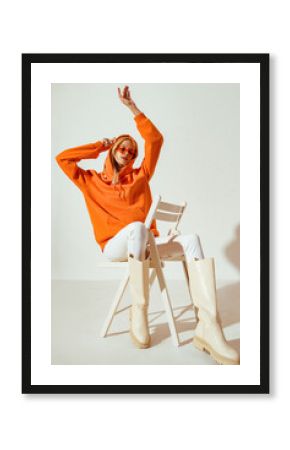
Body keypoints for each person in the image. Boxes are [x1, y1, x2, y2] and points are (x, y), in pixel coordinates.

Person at [56, 86, 239, 365]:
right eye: (123, 148)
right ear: (115, 149)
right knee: (136, 228)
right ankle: (138, 311)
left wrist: (132, 108)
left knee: (191, 239)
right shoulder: (90, 180)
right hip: (115, 246)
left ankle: (208, 327)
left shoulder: (141, 176)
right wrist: (100, 145)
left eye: (132, 151)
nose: (128, 153)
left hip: (145, 243)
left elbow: (155, 139)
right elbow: (63, 158)